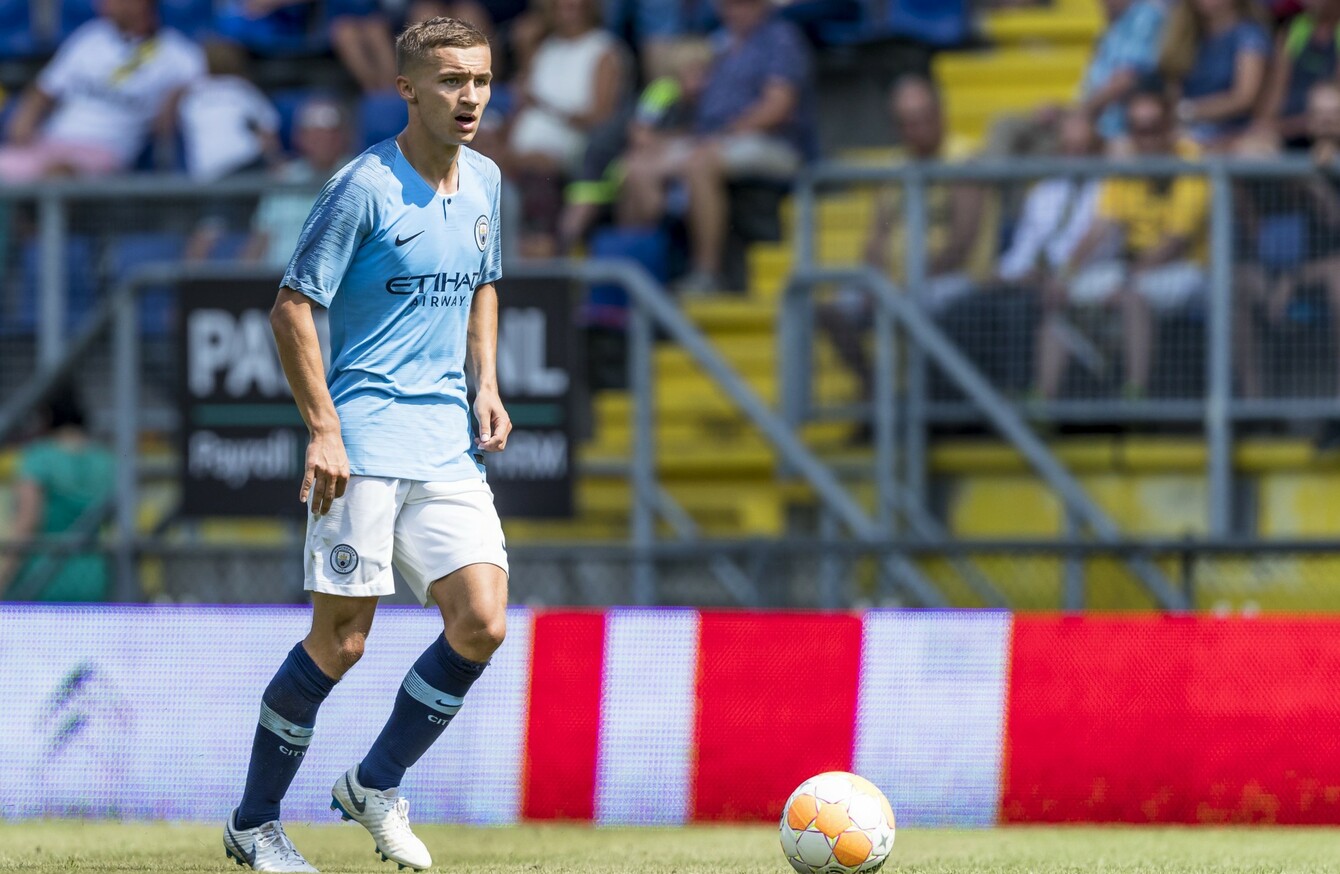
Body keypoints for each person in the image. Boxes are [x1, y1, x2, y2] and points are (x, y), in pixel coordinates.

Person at [221, 17, 511, 873]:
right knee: (342, 642)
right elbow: (290, 307)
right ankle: (254, 824)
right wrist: (324, 429)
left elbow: (485, 282)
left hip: (446, 443)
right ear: (408, 90)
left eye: (480, 80)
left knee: (483, 623)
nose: (469, 97)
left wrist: (487, 383)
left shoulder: (487, 179)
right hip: (369, 442)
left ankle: (374, 784)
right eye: (451, 81)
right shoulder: (362, 187)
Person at [617, 0, 814, 295]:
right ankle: (639, 271)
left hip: (772, 143)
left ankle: (706, 273)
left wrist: (725, 134)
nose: (734, 10)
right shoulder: (717, 43)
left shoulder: (780, 37)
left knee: (700, 163)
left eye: (742, 4)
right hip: (711, 138)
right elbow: (685, 100)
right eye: (727, 4)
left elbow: (778, 106)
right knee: (637, 166)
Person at [820, 75, 994, 408]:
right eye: (908, 123)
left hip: (955, 280)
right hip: (897, 284)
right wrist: (873, 281)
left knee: (907, 306)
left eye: (924, 119)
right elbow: (878, 234)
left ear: (940, 115)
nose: (918, 129)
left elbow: (962, 242)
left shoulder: (963, 160)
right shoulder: (896, 167)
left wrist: (908, 283)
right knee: (832, 310)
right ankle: (876, 391)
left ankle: (911, 405)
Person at [1052, 88, 1209, 399]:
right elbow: (1100, 227)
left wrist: (1127, 280)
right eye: (1137, 129)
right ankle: (1042, 402)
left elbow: (1175, 242)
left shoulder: (1191, 160)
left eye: (1153, 128)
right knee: (1059, 297)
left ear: (1170, 128)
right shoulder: (1127, 164)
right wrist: (1065, 273)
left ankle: (1135, 395)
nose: (1145, 138)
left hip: (1190, 269)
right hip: (1135, 267)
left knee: (1132, 297)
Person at [0, 0, 205, 181]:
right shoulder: (91, 37)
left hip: (105, 153)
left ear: (142, 3)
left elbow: (208, 85)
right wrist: (25, 117)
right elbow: (45, 88)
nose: (103, 4)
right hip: (54, 142)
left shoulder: (176, 53)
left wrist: (177, 96)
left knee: (59, 175)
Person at [994, 110, 1104, 400]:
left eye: (1083, 150)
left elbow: (1106, 249)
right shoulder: (1042, 193)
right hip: (1035, 281)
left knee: (1025, 306)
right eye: (1069, 149)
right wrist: (1012, 273)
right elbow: (1023, 249)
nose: (1075, 158)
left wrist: (1059, 274)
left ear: (1096, 151)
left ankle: (1022, 395)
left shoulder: (1108, 192)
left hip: (1082, 279)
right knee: (978, 303)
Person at [504, 0, 627, 256]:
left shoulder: (604, 51)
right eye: (560, 6)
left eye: (573, 6)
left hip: (575, 145)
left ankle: (545, 245)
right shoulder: (546, 49)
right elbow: (524, 104)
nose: (567, 12)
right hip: (526, 144)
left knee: (535, 163)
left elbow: (602, 116)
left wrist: (548, 106)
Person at [0, 388, 116, 603]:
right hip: (93, 575)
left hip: (43, 578)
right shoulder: (106, 461)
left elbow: (26, 523)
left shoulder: (38, 458)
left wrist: (4, 575)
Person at [244, 96, 356, 267]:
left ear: (344, 136)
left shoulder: (362, 176)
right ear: (300, 137)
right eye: (312, 132)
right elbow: (261, 239)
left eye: (329, 132)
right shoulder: (284, 178)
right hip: (275, 277)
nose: (321, 140)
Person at [1157, 0, 1270, 149]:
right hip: (1187, 131)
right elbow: (1173, 90)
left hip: (1236, 132)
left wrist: (1188, 111)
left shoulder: (1249, 36)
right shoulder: (1184, 35)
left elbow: (1243, 98)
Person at [1253, 0, 1340, 148]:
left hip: (1326, 129)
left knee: (1326, 106)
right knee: (1254, 145)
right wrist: (1263, 125)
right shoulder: (1295, 27)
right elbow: (1276, 90)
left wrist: (1286, 127)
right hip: (1289, 127)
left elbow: (1333, 110)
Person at [1078, 0, 1168, 141]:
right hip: (1100, 122)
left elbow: (1127, 77)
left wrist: (1081, 113)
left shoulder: (1144, 17)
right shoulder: (1114, 24)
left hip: (1123, 128)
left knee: (1076, 134)